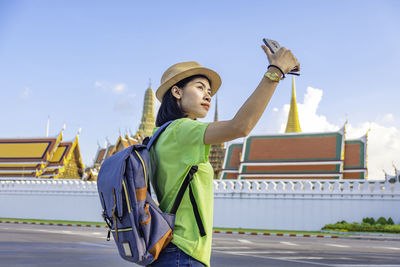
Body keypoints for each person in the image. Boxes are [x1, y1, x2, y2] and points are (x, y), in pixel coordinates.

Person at [148, 44, 299, 267]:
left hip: (171, 252)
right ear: (176, 92)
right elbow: (240, 127)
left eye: (209, 91)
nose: (207, 94)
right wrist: (275, 72)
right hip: (184, 252)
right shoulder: (181, 130)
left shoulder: (160, 135)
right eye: (200, 87)